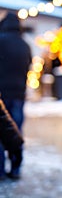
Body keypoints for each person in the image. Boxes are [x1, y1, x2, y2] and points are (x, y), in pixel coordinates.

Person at [0, 12, 32, 178]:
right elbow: (29, 68)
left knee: (0, 132)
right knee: (15, 132)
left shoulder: (1, 41)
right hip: (19, 95)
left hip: (1, 94)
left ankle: (0, 170)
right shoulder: (24, 45)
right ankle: (15, 168)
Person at [0, 95, 24, 180]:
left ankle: (1, 171)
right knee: (15, 127)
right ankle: (15, 170)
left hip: (6, 91)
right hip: (17, 92)